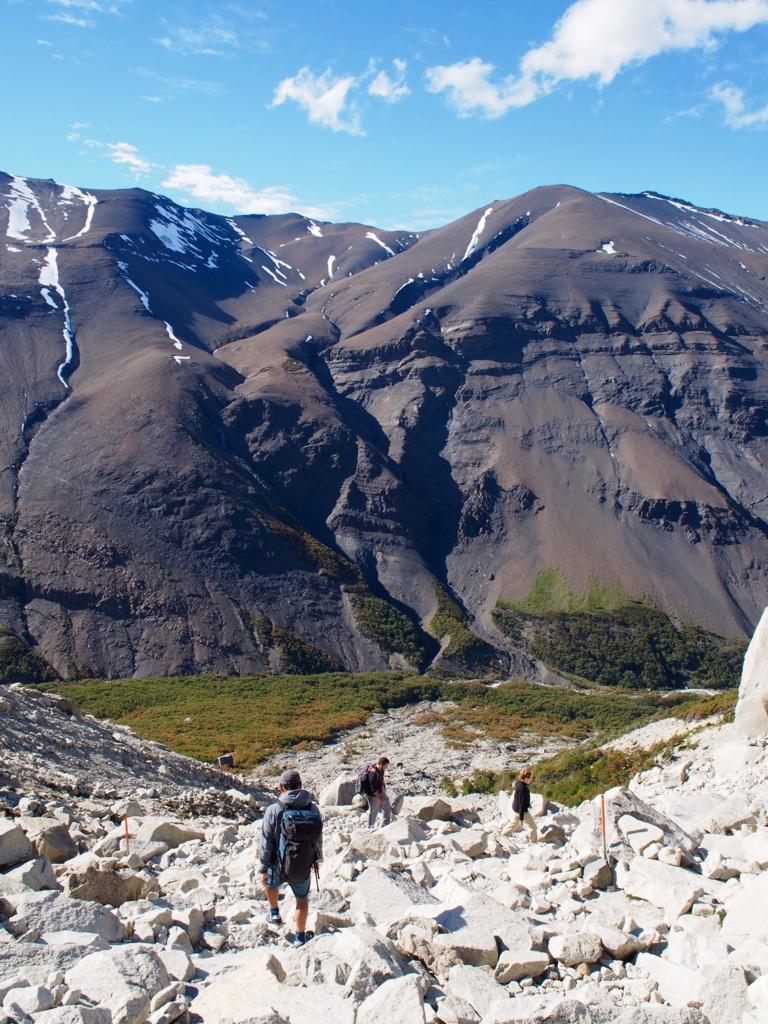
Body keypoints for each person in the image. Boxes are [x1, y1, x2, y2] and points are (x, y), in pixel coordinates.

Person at [259, 769, 323, 947]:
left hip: (278, 864)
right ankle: (300, 937)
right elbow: (318, 838)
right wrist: (317, 860)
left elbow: (266, 841)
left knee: (269, 884)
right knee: (301, 900)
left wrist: (263, 867)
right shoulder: (313, 808)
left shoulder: (274, 810)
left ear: (281, 788)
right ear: (301, 786)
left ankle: (274, 913)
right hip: (303, 863)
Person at [512, 768, 538, 842]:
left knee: (513, 824)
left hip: (515, 808)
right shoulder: (522, 788)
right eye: (530, 778)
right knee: (532, 826)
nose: (530, 780)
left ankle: (502, 835)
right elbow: (522, 803)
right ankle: (533, 842)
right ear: (526, 778)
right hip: (521, 810)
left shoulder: (518, 783)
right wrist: (521, 819)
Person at [366, 756, 391, 829]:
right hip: (373, 794)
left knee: (387, 804)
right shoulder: (372, 773)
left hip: (380, 790)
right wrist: (380, 798)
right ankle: (370, 827)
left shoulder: (381, 770)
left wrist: (383, 783)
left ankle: (385, 825)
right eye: (385, 766)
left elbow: (381, 777)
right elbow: (373, 789)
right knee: (374, 810)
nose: (386, 767)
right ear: (381, 765)